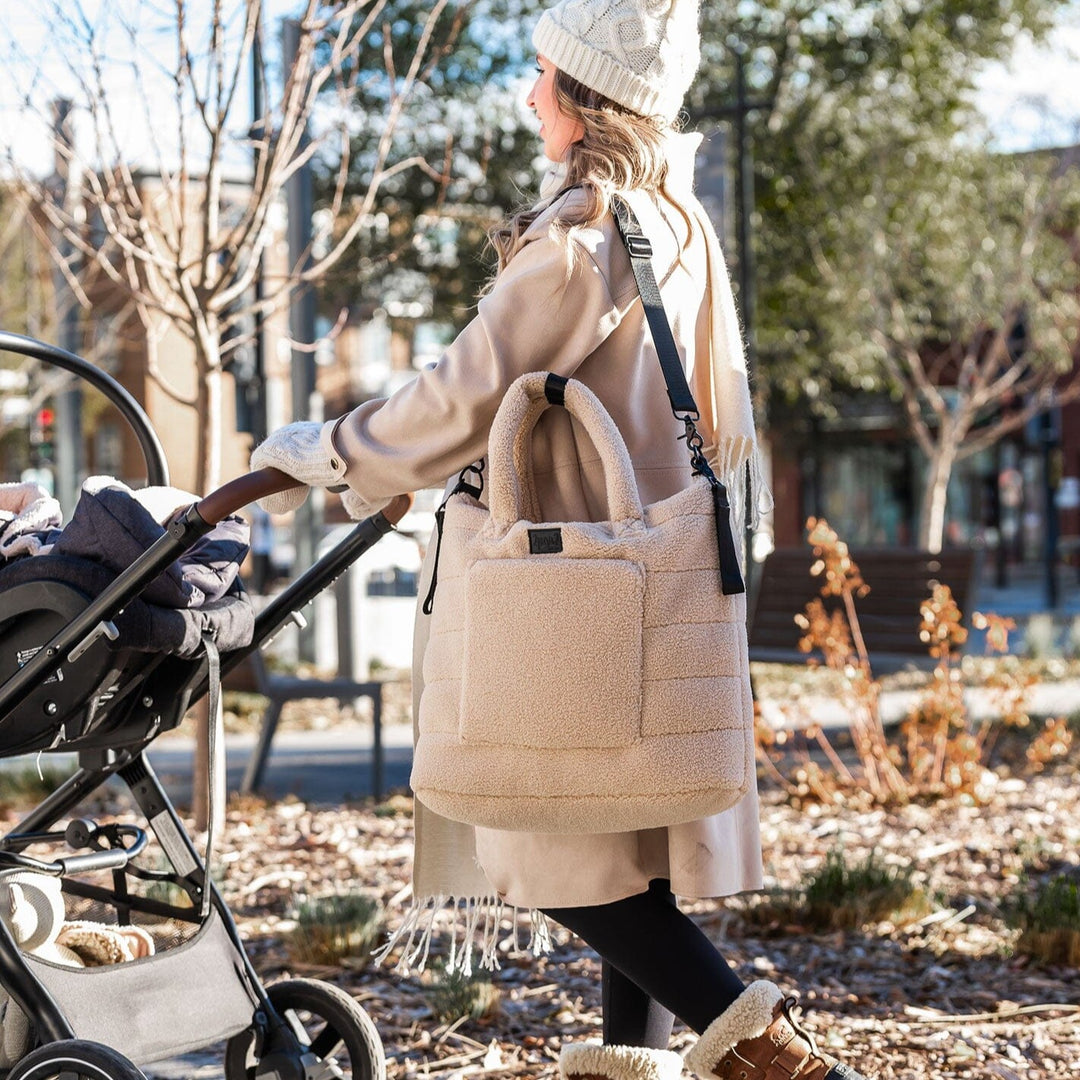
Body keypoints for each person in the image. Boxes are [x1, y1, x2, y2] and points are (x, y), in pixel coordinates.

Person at [252, 2, 871, 1079]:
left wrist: (332, 449)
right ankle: (645, 1068)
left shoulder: (584, 239)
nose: (529, 93)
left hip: (568, 590)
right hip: (658, 583)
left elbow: (460, 396)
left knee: (561, 858)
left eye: (545, 76)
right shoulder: (679, 223)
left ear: (588, 99)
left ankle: (786, 1066)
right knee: (630, 852)